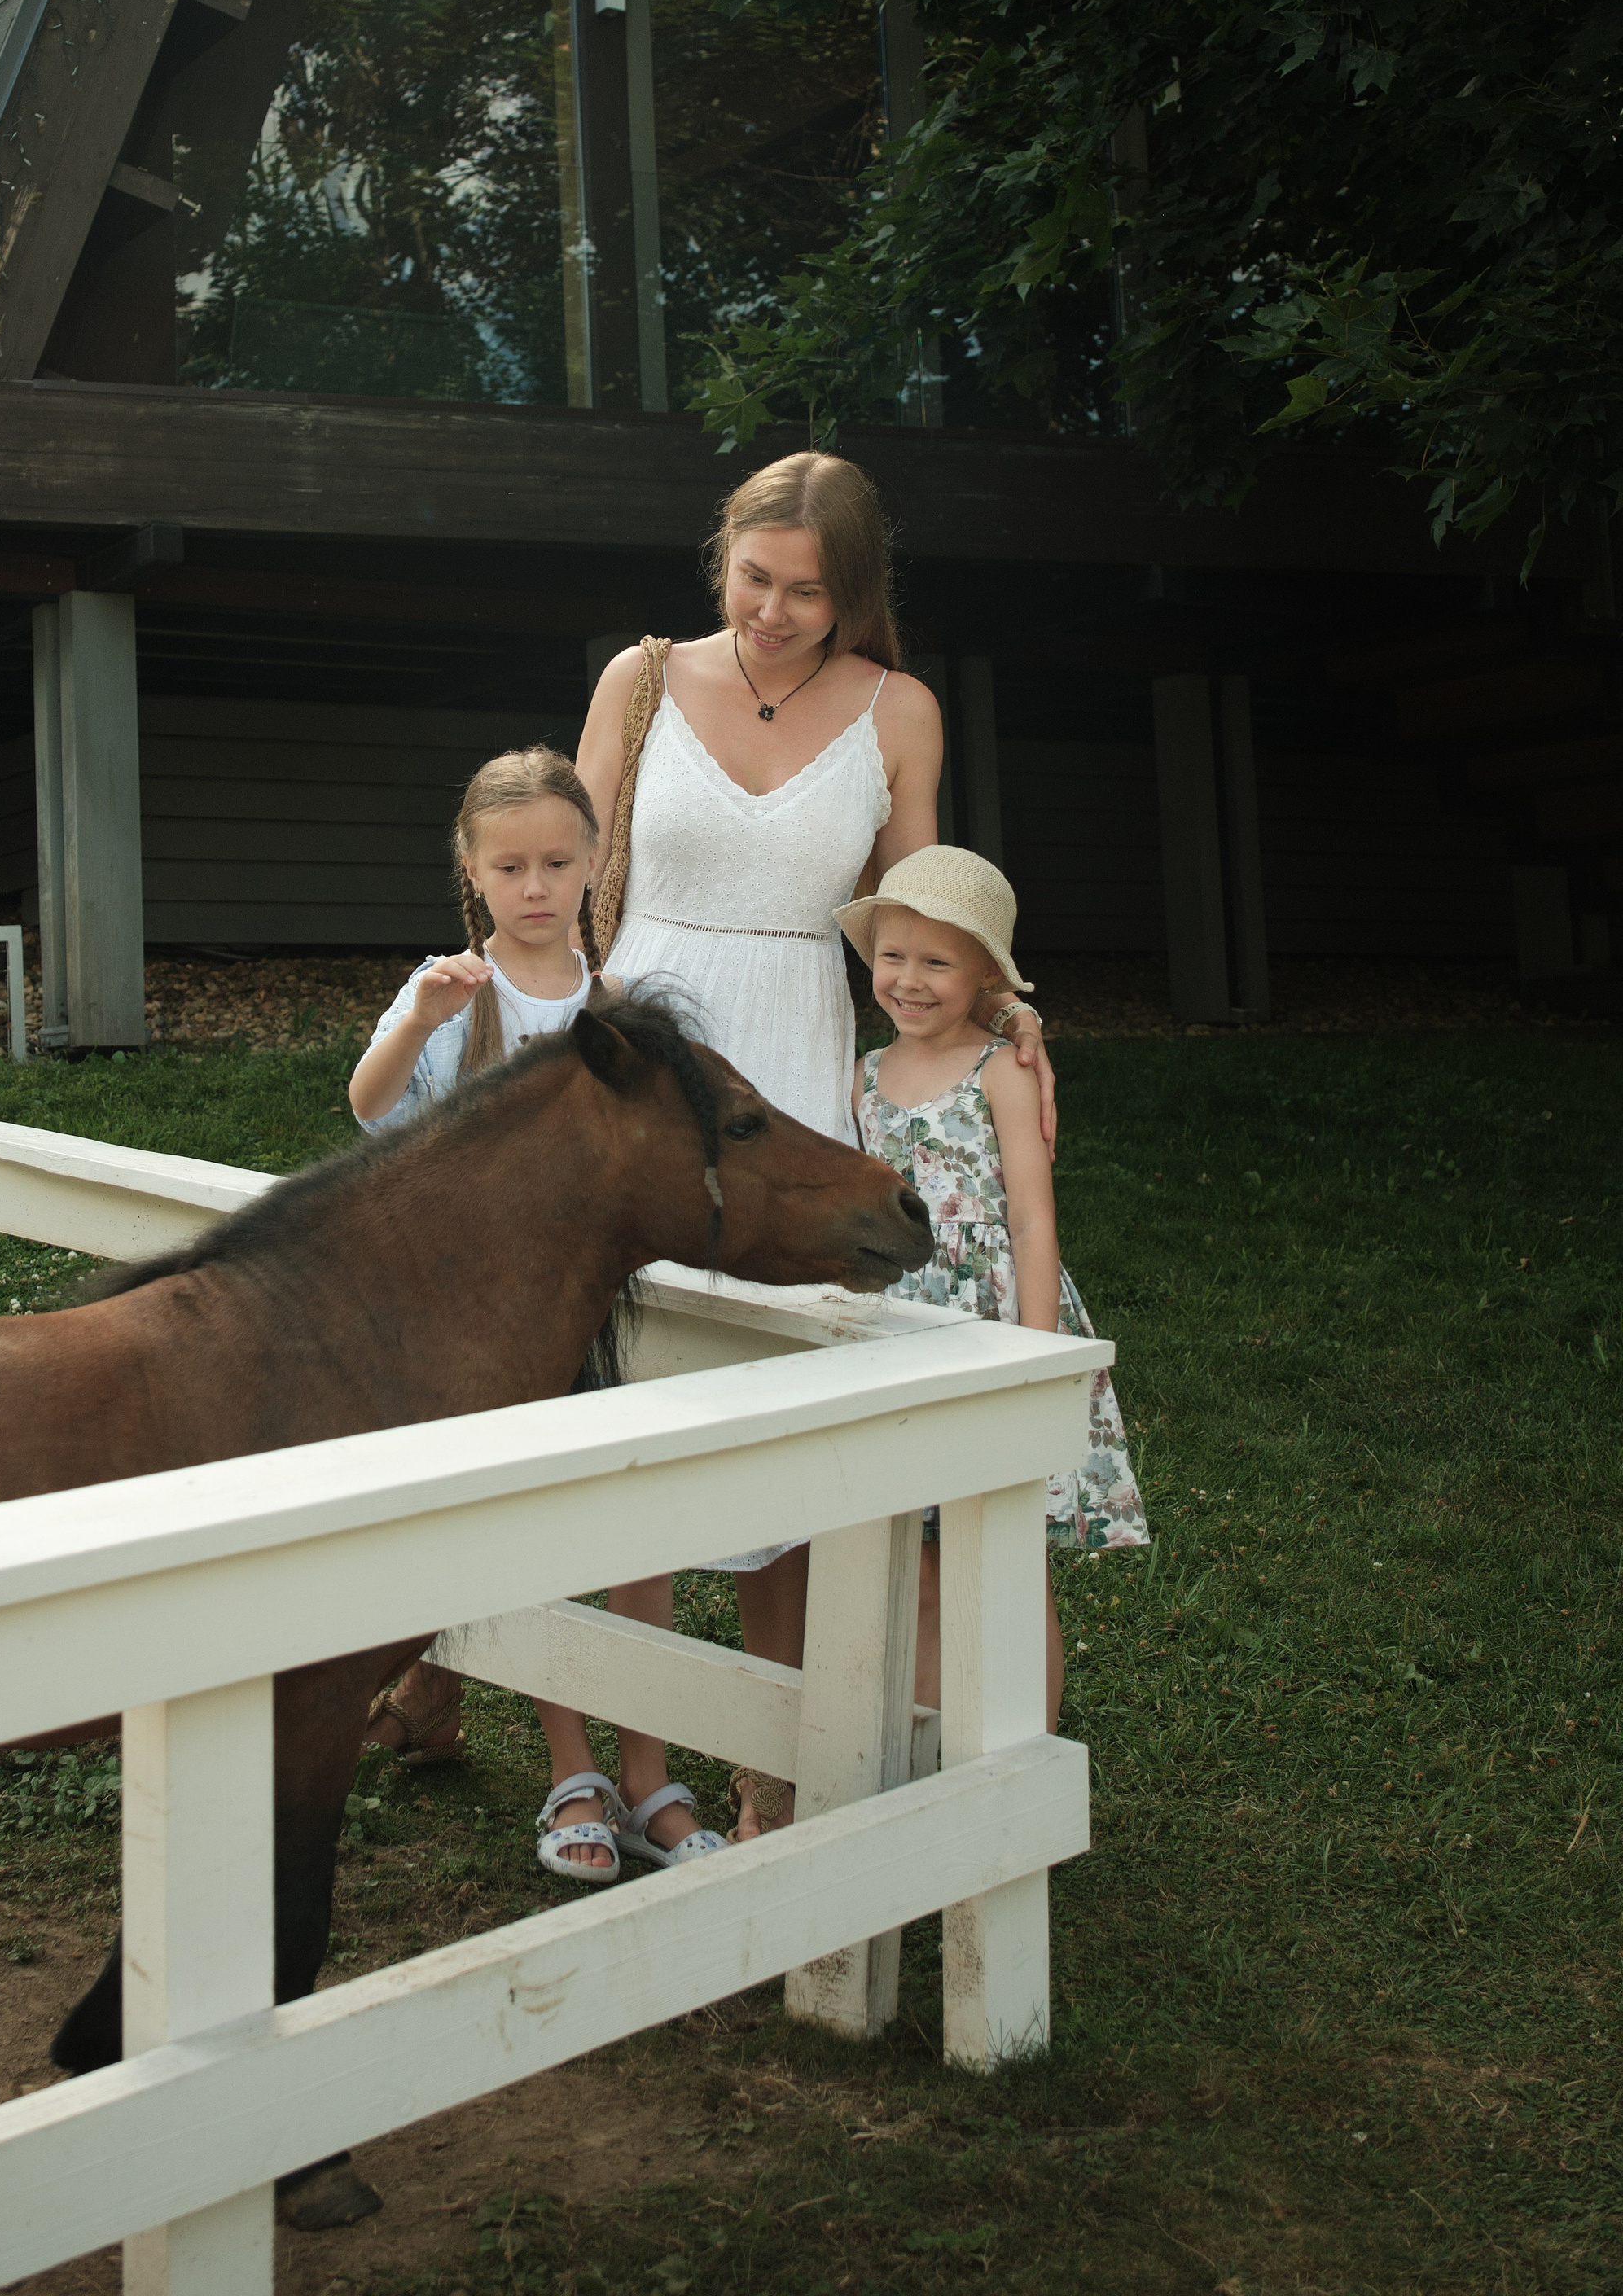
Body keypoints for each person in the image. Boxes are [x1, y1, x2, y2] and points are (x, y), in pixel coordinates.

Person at [575, 450, 1055, 1837]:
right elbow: (560, 863)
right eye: (755, 580)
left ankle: (772, 1774)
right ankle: (638, 1768)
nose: (776, 613)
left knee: (782, 1414)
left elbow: (928, 917)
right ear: (720, 561)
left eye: (809, 593)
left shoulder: (899, 710)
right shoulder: (642, 679)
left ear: (856, 598)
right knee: (639, 1406)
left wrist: (1013, 1022)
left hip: (797, 1067)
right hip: (646, 1061)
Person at [348, 746, 726, 1882]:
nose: (535, 887)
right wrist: (416, 1023)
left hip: (596, 1317)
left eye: (558, 862)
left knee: (639, 1537)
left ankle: (649, 1773)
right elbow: (371, 1115)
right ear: (471, 870)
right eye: (509, 866)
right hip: (487, 1330)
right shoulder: (453, 991)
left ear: (593, 865)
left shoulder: (615, 1009)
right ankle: (574, 1776)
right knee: (551, 1542)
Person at [839, 843, 1149, 1733]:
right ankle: (936, 1749)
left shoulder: (1001, 1070)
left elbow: (1031, 1221)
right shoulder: (860, 1075)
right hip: (903, 1333)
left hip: (991, 1329)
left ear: (984, 975)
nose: (909, 979)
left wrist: (1036, 1352)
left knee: (1007, 1554)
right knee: (925, 1557)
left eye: (938, 961)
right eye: (893, 956)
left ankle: (1022, 1742)